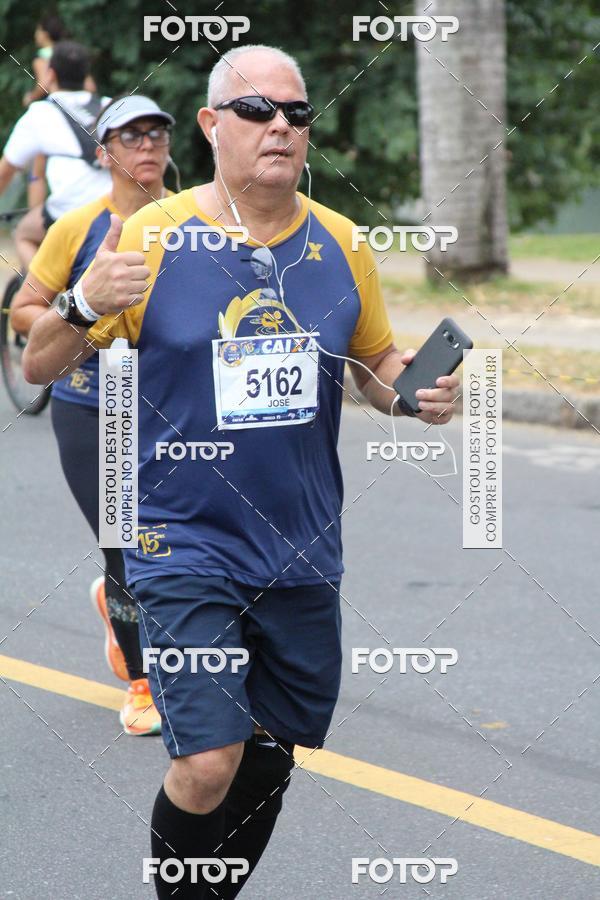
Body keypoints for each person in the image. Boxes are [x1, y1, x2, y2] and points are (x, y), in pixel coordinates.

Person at [23, 45, 459, 897]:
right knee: (207, 758)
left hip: (300, 545)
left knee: (268, 752)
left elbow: (370, 368)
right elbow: (39, 362)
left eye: (297, 114)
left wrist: (414, 393)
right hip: (181, 539)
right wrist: (83, 302)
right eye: (258, 111)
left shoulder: (342, 242)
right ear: (213, 125)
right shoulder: (148, 236)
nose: (282, 128)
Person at [12, 94, 176, 735]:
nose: (147, 145)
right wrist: (82, 309)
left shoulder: (199, 221)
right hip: (93, 404)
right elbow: (26, 311)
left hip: (173, 407)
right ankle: (140, 680)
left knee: (179, 542)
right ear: (104, 152)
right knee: (125, 544)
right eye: (130, 135)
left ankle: (145, 627)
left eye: (156, 133)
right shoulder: (77, 226)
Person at [0, 41, 110, 269]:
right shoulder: (110, 106)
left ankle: (42, 297)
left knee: (23, 234)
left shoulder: (40, 113)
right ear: (86, 75)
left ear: (50, 74)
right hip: (118, 209)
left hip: (68, 213)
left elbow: (5, 172)